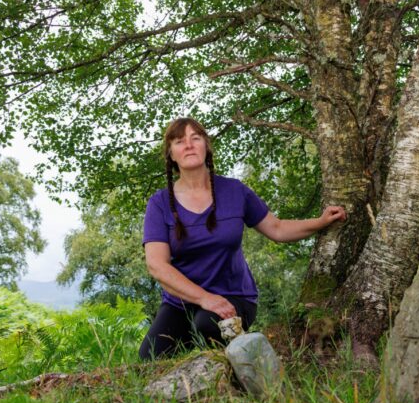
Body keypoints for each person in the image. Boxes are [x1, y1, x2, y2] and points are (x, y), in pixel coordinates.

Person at [139, 117, 346, 360]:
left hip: (233, 297)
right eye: (179, 141)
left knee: (207, 325)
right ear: (171, 154)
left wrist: (320, 222)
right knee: (150, 357)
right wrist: (205, 298)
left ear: (206, 146)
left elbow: (277, 229)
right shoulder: (160, 203)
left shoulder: (235, 191)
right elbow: (157, 265)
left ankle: (240, 369)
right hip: (182, 301)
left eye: (195, 138)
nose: (189, 145)